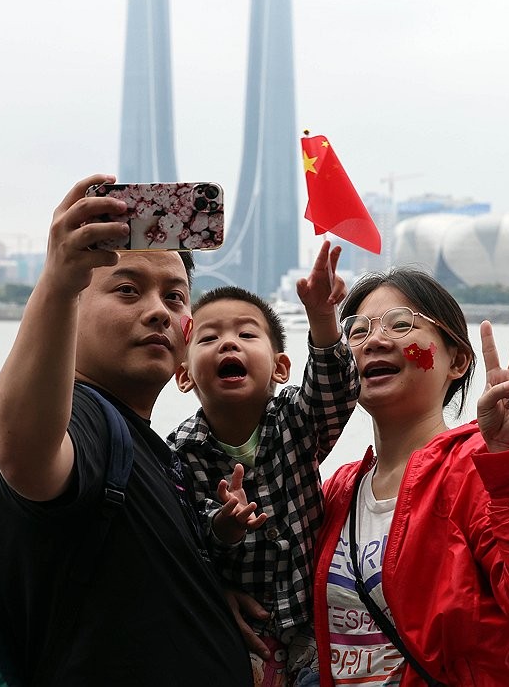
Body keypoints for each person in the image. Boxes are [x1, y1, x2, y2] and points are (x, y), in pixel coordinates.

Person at [0, 175, 251, 685]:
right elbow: (24, 454)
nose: (158, 311)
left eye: (176, 297)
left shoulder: (149, 446)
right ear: (74, 307)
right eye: (127, 290)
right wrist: (59, 284)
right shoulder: (85, 419)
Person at [311, 267, 509, 686]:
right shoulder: (341, 489)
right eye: (357, 331)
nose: (374, 340)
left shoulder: (478, 469)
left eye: (401, 324)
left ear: (457, 361)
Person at [169, 240, 359, 686]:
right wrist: (223, 527)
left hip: (314, 629)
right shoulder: (179, 452)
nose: (228, 342)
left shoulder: (295, 419)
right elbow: (184, 542)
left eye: (247, 334)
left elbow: (335, 391)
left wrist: (322, 318)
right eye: (209, 337)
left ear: (280, 367)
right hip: (239, 633)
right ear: (184, 374)